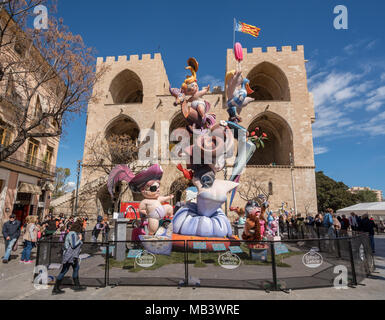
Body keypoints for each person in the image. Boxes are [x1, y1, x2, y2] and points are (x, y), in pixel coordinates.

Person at [52, 220, 87, 295]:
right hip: (70, 255)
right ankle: (56, 288)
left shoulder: (73, 233)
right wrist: (80, 240)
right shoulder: (72, 234)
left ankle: (77, 286)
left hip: (72, 255)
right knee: (64, 270)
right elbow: (73, 245)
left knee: (76, 268)